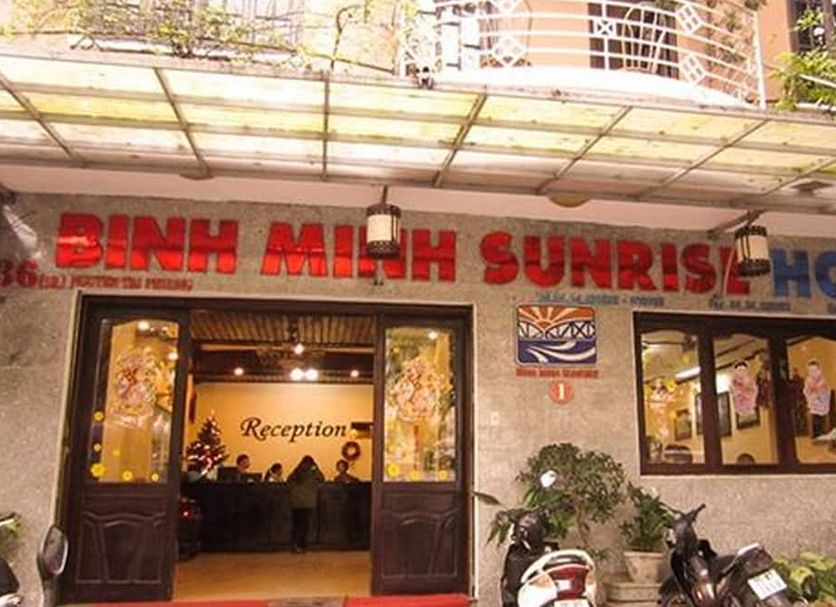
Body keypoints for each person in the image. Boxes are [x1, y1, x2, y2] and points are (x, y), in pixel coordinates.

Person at [287, 455, 324, 553]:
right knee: (305, 526)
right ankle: (302, 545)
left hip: (296, 501)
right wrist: (317, 469)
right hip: (307, 502)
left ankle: (295, 545)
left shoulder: (297, 470)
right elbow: (322, 479)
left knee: (296, 525)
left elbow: (289, 480)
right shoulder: (313, 472)